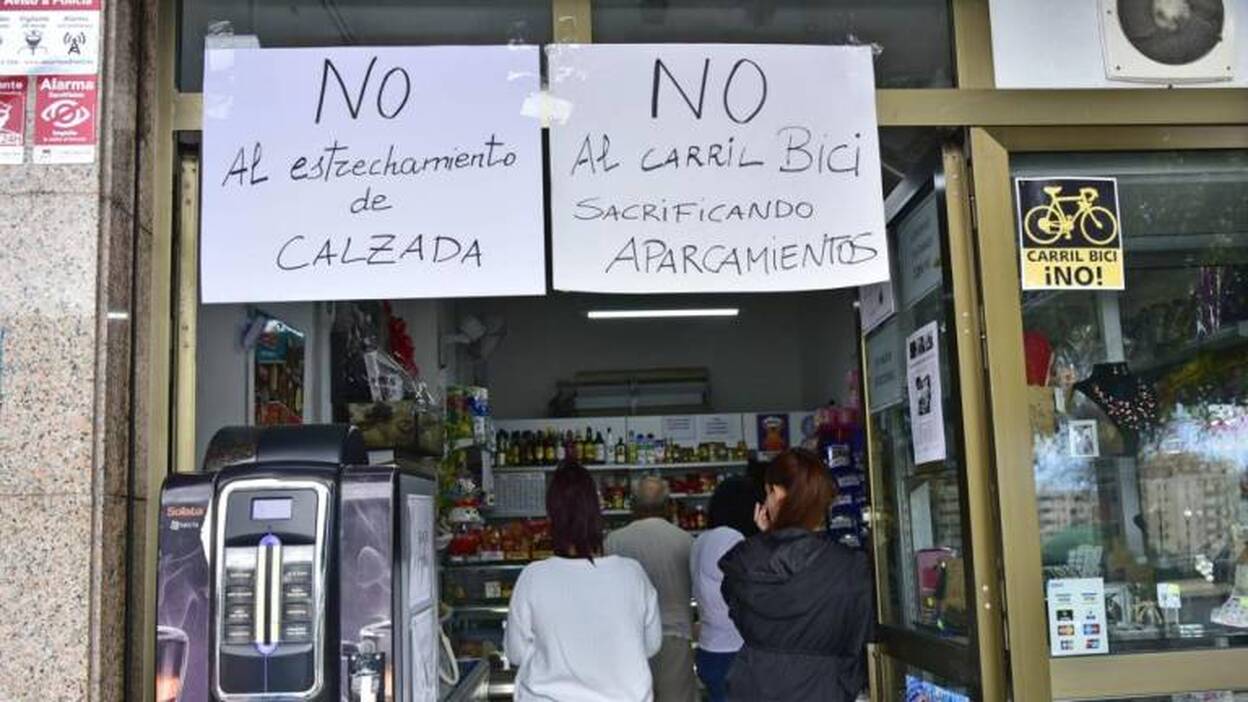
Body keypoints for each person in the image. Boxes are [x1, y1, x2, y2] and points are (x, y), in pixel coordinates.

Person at [719, 449, 872, 701]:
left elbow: (736, 609)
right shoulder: (850, 567)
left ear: (777, 493)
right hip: (823, 689)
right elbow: (858, 639)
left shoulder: (744, 560)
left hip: (755, 687)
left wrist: (767, 540)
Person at [505, 462, 662, 701]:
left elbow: (515, 654)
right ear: (597, 511)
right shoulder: (632, 574)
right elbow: (652, 645)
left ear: (551, 516)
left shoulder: (533, 577)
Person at [606, 475, 697, 702]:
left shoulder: (614, 541)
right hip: (675, 636)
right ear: (667, 506)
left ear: (633, 505)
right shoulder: (685, 540)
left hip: (630, 640)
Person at [689, 476, 761, 702]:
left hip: (709, 647)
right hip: (733, 649)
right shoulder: (732, 539)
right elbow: (753, 593)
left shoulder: (702, 540)